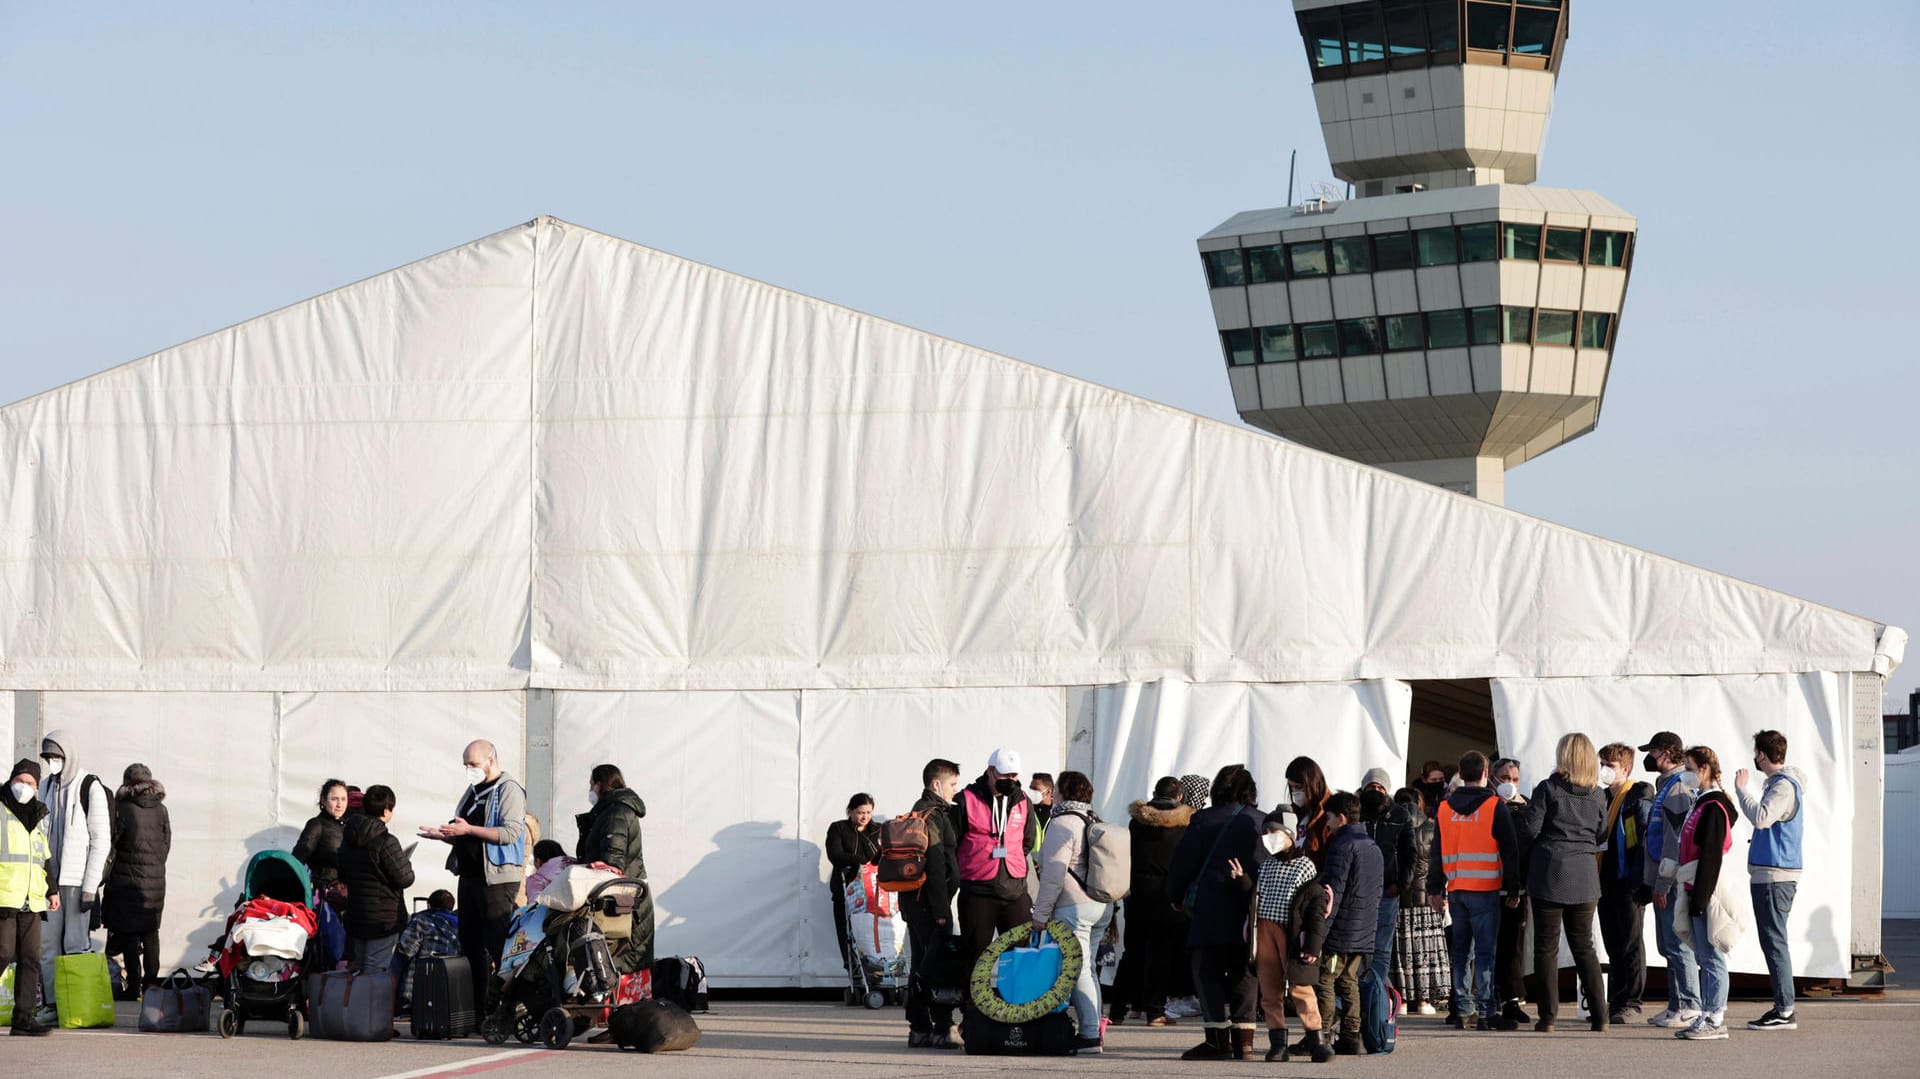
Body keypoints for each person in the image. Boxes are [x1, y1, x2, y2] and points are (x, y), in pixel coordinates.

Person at [418, 740, 527, 1007]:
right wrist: (445, 836)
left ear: (491, 760)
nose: (469, 769)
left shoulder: (509, 790)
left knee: (496, 942)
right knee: (469, 943)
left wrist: (468, 831)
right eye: (466, 765)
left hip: (496, 879)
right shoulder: (472, 791)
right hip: (469, 876)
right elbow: (465, 834)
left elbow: (510, 833)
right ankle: (476, 1008)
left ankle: (511, 1004)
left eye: (474, 764)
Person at [1165, 764, 1263, 1061]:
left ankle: (1217, 1041)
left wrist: (1175, 896)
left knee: (1206, 971)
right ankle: (1245, 1043)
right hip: (1250, 908)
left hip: (1210, 907)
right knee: (1245, 973)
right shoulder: (1261, 821)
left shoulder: (1202, 820)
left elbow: (1183, 863)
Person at [1517, 733, 1608, 1033]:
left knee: (1546, 948)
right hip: (1584, 875)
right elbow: (1602, 834)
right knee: (1585, 947)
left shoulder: (1548, 789)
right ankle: (1600, 1016)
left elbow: (1530, 829)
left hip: (1550, 872)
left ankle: (1549, 1017)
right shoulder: (1597, 794)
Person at [1428, 750, 1521, 1031]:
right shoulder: (1495, 806)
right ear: (1485, 774)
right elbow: (1510, 850)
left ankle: (1464, 1010)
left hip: (1456, 889)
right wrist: (1514, 886)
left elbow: (1435, 853)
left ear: (1461, 772)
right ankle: (1487, 1012)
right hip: (1486, 888)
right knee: (1485, 953)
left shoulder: (1444, 808)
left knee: (1460, 953)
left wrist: (1435, 889)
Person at [1029, 771, 1113, 1054]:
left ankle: (1089, 1035)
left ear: (1064, 792)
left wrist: (1040, 914)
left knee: (1078, 970)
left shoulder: (1062, 823)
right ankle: (1095, 1030)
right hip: (1102, 905)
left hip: (1074, 907)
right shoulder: (1095, 820)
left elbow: (1053, 873)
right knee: (1088, 969)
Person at [34, 731, 111, 1025]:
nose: (53, 762)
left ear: (69, 755)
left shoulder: (90, 786)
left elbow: (100, 841)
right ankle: (53, 1004)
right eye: (49, 757)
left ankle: (78, 1002)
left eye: (57, 756)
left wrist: (91, 887)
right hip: (49, 882)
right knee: (47, 944)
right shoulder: (44, 786)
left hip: (77, 880)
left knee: (76, 942)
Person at [1248, 815, 1333, 1062]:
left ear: (1290, 834)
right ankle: (1277, 1043)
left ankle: (1316, 1039)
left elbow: (1315, 907)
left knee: (1301, 986)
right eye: (1266, 832)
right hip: (1264, 928)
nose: (1269, 837)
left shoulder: (1305, 866)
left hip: (1292, 932)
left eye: (1275, 831)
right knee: (1269, 989)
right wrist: (1244, 880)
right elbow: (1255, 896)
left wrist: (1313, 943)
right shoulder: (1265, 865)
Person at [1669, 745, 1738, 1041]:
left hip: (1705, 889)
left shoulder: (1713, 807)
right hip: (1693, 885)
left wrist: (1700, 898)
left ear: (1705, 770)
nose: (1685, 773)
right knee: (1704, 956)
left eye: (1689, 767)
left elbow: (1711, 856)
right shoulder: (1701, 803)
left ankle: (1715, 1016)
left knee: (1712, 956)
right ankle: (1709, 1014)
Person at [1110, 775, 1191, 1027]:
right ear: (1179, 796)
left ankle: (1118, 1010)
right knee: (1161, 954)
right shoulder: (1183, 825)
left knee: (1132, 952)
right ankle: (1154, 1011)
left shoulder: (1137, 822)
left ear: (1155, 792)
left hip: (1137, 891)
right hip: (1166, 893)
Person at [1736, 729, 1803, 1032]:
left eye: (1756, 753)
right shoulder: (1780, 785)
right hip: (1771, 873)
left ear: (1762, 755)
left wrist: (1742, 790)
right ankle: (1782, 1006)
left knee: (1774, 942)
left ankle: (1785, 1010)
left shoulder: (1783, 787)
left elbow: (1762, 817)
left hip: (1775, 875)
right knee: (1773, 941)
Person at [950, 748, 1039, 963]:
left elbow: (1028, 841)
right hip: (978, 890)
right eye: (1005, 775)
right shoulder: (965, 799)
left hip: (1015, 889)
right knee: (976, 957)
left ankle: (1014, 996)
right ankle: (974, 997)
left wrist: (1010, 858)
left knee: (1020, 956)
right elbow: (952, 843)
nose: (1010, 780)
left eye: (1014, 775)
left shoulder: (1023, 800)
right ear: (990, 771)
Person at [1639, 730, 1702, 1029]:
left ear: (1666, 752)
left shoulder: (1677, 787)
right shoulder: (1666, 784)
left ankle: (1690, 1004)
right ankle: (1676, 1004)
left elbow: (1674, 840)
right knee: (1668, 945)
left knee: (1678, 943)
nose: (1648, 759)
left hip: (1671, 880)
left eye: (1652, 753)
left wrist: (1664, 881)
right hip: (1660, 877)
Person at [1314, 791, 1382, 1055]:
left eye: (1329, 818)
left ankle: (1322, 1033)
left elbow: (1334, 893)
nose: (1327, 824)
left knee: (1326, 979)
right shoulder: (1371, 845)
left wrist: (1321, 932)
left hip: (1342, 930)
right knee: (1349, 980)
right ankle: (1352, 1034)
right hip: (1363, 929)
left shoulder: (1342, 846)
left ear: (1341, 818)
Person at [902, 758, 962, 1050]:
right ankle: (942, 1027)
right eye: (952, 784)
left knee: (920, 966)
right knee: (938, 966)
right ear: (936, 784)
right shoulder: (934, 815)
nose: (955, 790)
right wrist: (941, 910)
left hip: (914, 903)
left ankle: (919, 1028)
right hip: (930, 905)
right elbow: (936, 865)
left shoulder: (918, 811)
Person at [102, 763, 170, 1000]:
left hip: (126, 880)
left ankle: (133, 987)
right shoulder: (161, 809)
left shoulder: (123, 808)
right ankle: (151, 985)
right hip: (155, 881)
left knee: (129, 935)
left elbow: (114, 841)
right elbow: (165, 844)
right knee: (151, 932)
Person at [1596, 742, 1653, 1024]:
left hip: (1628, 880)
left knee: (1631, 943)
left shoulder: (1637, 793)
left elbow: (1642, 834)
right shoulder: (1601, 797)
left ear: (1626, 768)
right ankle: (1616, 1000)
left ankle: (1632, 1002)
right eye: (1602, 764)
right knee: (1612, 943)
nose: (1604, 770)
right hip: (1603, 880)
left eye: (1611, 766)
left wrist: (1643, 879)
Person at [576, 764, 654, 971]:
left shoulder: (616, 813)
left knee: (622, 957)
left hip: (621, 901)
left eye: (591, 784)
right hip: (624, 897)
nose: (590, 789)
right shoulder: (612, 810)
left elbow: (613, 862)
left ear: (600, 784)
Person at [2, 759, 57, 1036]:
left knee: (30, 958)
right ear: (11, 781)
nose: (25, 787)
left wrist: (52, 889)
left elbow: (43, 856)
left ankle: (23, 1019)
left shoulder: (37, 815)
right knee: (2, 953)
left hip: (31, 897)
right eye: (21, 781)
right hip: (4, 895)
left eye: (31, 783)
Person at [338, 785, 415, 975]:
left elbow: (342, 874)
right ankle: (370, 1006)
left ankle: (355, 1005)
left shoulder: (348, 838)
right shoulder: (386, 841)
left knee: (358, 970)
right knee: (376, 973)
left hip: (356, 914)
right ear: (387, 810)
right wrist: (404, 862)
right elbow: (405, 878)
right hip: (382, 918)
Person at [1359, 769, 1417, 994]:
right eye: (1371, 787)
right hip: (1359, 891)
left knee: (1382, 948)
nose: (1375, 791)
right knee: (1358, 947)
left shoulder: (1400, 815)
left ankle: (1375, 993)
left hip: (1387, 891)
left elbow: (1409, 852)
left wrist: (1401, 884)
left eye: (1380, 788)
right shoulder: (1355, 812)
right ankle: (1359, 992)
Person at [1391, 786, 1446, 1016]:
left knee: (1402, 953)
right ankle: (1424, 1001)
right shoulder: (1433, 828)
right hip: (1427, 899)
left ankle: (1401, 1000)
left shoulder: (1393, 829)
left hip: (1400, 898)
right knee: (1426, 953)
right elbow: (1439, 864)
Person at [1490, 756, 1534, 1028]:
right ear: (1494, 778)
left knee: (1512, 946)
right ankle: (1486, 999)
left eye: (1514, 779)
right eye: (1505, 779)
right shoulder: (1486, 806)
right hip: (1485, 886)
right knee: (1486, 946)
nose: (1510, 784)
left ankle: (1512, 999)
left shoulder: (1526, 806)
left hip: (1516, 888)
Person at [825, 792, 883, 973]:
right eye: (860, 812)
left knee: (876, 930)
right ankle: (853, 968)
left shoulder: (878, 830)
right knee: (847, 930)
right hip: (847, 887)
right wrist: (861, 861)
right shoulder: (838, 828)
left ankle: (879, 966)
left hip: (873, 890)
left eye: (868, 812)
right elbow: (835, 855)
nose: (864, 817)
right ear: (850, 811)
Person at [392, 889, 460, 1009]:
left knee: (397, 960)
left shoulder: (421, 920)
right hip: (450, 989)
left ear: (429, 905)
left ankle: (391, 1001)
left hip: (419, 990)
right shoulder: (460, 925)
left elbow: (405, 950)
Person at [293, 779, 350, 897]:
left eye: (343, 799)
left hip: (348, 895)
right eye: (334, 799)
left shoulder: (348, 825)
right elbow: (297, 859)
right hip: (325, 894)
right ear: (323, 800)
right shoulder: (316, 825)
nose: (340, 804)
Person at [1284, 757, 1332, 857]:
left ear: (1313, 784)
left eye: (1299, 787)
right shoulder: (1296, 813)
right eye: (1291, 787)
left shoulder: (1330, 813)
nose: (1294, 792)